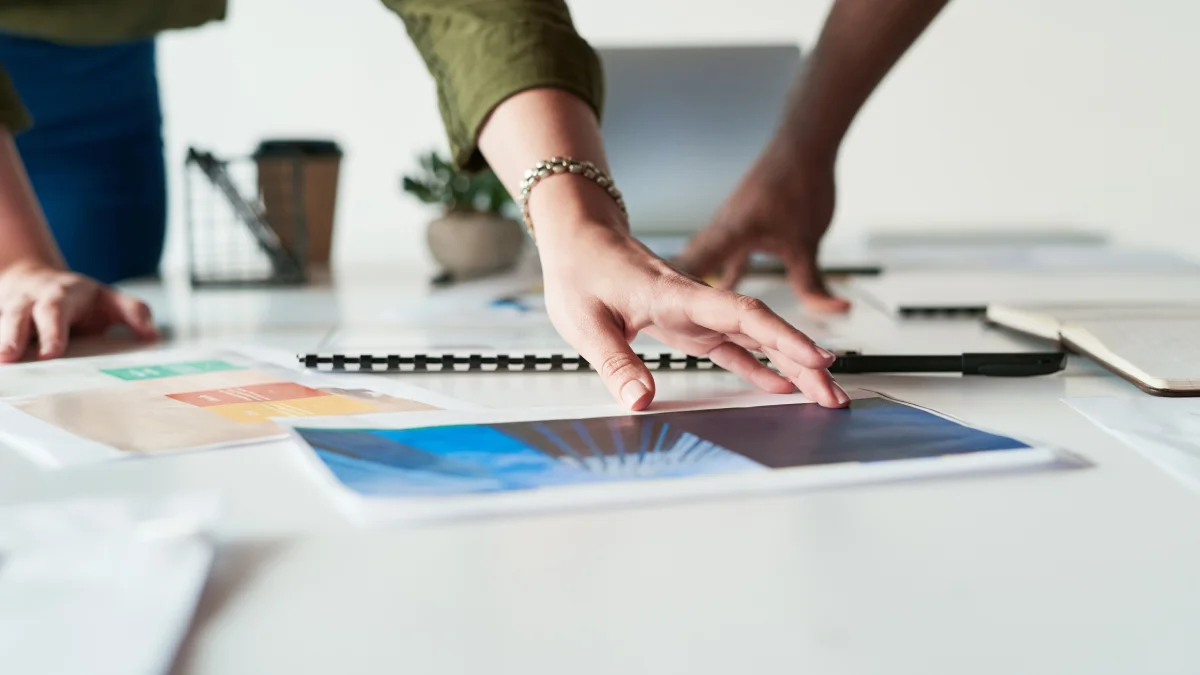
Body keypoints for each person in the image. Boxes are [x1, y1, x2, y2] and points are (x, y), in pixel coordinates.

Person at [0, 0, 944, 411]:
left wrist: (578, 222)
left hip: (105, 50)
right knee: (36, 322)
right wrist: (17, 257)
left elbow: (479, 10)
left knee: (107, 293)